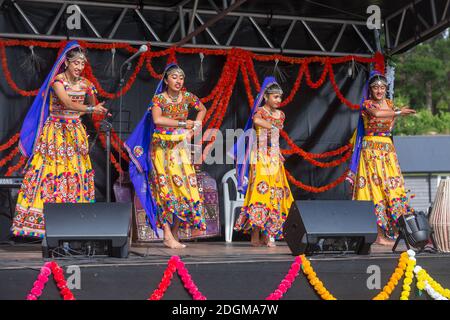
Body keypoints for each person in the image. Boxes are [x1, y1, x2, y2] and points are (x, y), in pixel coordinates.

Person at [12, 41, 108, 238]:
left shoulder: (85, 84)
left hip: (75, 133)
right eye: (76, 64)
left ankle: (74, 223)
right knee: (53, 174)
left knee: (75, 174)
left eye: (82, 64)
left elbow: (94, 106)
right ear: (67, 63)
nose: (80, 68)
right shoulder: (58, 82)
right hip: (56, 132)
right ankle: (44, 224)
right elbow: (67, 103)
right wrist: (91, 109)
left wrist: (95, 103)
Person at [125, 64, 207, 249]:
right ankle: (167, 234)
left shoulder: (187, 97)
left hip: (181, 148)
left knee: (186, 189)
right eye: (174, 77)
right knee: (165, 191)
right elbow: (158, 120)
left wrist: (195, 127)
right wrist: (183, 123)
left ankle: (175, 232)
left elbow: (202, 109)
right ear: (166, 79)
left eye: (181, 78)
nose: (178, 81)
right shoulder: (159, 99)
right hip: (162, 147)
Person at [347, 72, 416, 246]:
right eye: (375, 87)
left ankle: (397, 231)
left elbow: (388, 123)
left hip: (387, 151)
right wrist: (399, 112)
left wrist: (396, 111)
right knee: (374, 191)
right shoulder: (367, 104)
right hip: (371, 152)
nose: (379, 90)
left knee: (393, 189)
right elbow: (377, 115)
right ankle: (378, 235)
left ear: (386, 89)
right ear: (370, 89)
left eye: (382, 87)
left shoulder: (390, 104)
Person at [233, 77, 294, 247]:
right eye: (275, 97)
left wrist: (279, 153)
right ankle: (255, 234)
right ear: (266, 97)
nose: (278, 100)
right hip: (259, 156)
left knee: (275, 193)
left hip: (273, 156)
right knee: (260, 192)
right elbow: (256, 121)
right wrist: (271, 126)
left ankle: (269, 234)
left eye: (280, 97)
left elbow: (275, 138)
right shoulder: (260, 111)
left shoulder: (281, 115)